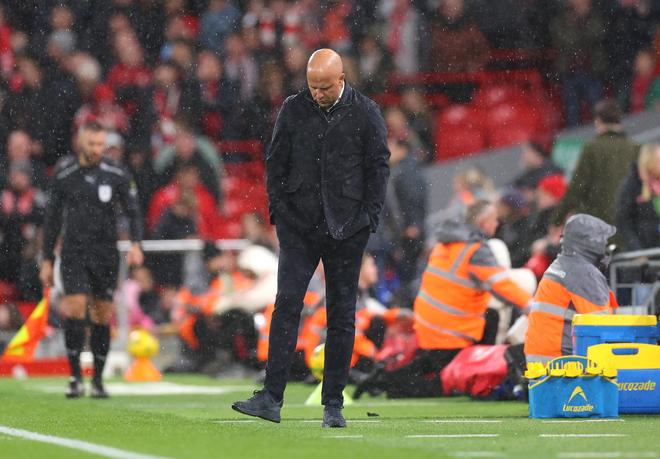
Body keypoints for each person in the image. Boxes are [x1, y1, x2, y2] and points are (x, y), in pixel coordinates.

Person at [232, 48, 389, 428]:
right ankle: (271, 398)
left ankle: (333, 405)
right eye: (312, 86)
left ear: (342, 79)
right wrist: (279, 214)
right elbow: (275, 162)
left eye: (324, 87)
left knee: (341, 315)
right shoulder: (293, 108)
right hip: (299, 228)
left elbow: (378, 166)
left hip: (347, 228)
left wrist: (368, 218)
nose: (317, 93)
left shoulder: (366, 111)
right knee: (286, 306)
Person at [355, 200, 532, 399]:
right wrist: (531, 307)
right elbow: (502, 285)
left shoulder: (444, 244)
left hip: (429, 326)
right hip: (452, 332)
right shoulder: (476, 251)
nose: (497, 224)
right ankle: (391, 383)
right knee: (443, 383)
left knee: (431, 363)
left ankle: (383, 377)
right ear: (483, 222)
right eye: (494, 219)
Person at [39, 121, 144, 399]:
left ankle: (97, 380)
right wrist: (47, 259)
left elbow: (133, 211)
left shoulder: (117, 173)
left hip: (105, 254)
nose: (97, 149)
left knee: (101, 314)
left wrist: (136, 244)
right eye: (92, 144)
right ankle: (75, 377)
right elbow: (52, 220)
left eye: (101, 144)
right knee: (74, 308)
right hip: (73, 252)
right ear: (81, 142)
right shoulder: (65, 175)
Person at [524, 214, 617, 364]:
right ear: (590, 243)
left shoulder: (563, 264)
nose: (606, 245)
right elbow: (602, 326)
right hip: (562, 363)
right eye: (602, 240)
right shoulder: (582, 272)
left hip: (541, 361)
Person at [553, 99, 638, 231]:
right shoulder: (634, 147)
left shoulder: (592, 148)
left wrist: (557, 218)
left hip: (599, 224)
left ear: (598, 121)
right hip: (628, 223)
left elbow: (577, 187)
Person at [616, 143, 660, 251]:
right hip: (643, 252)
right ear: (649, 161)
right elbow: (624, 221)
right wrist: (637, 250)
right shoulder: (633, 184)